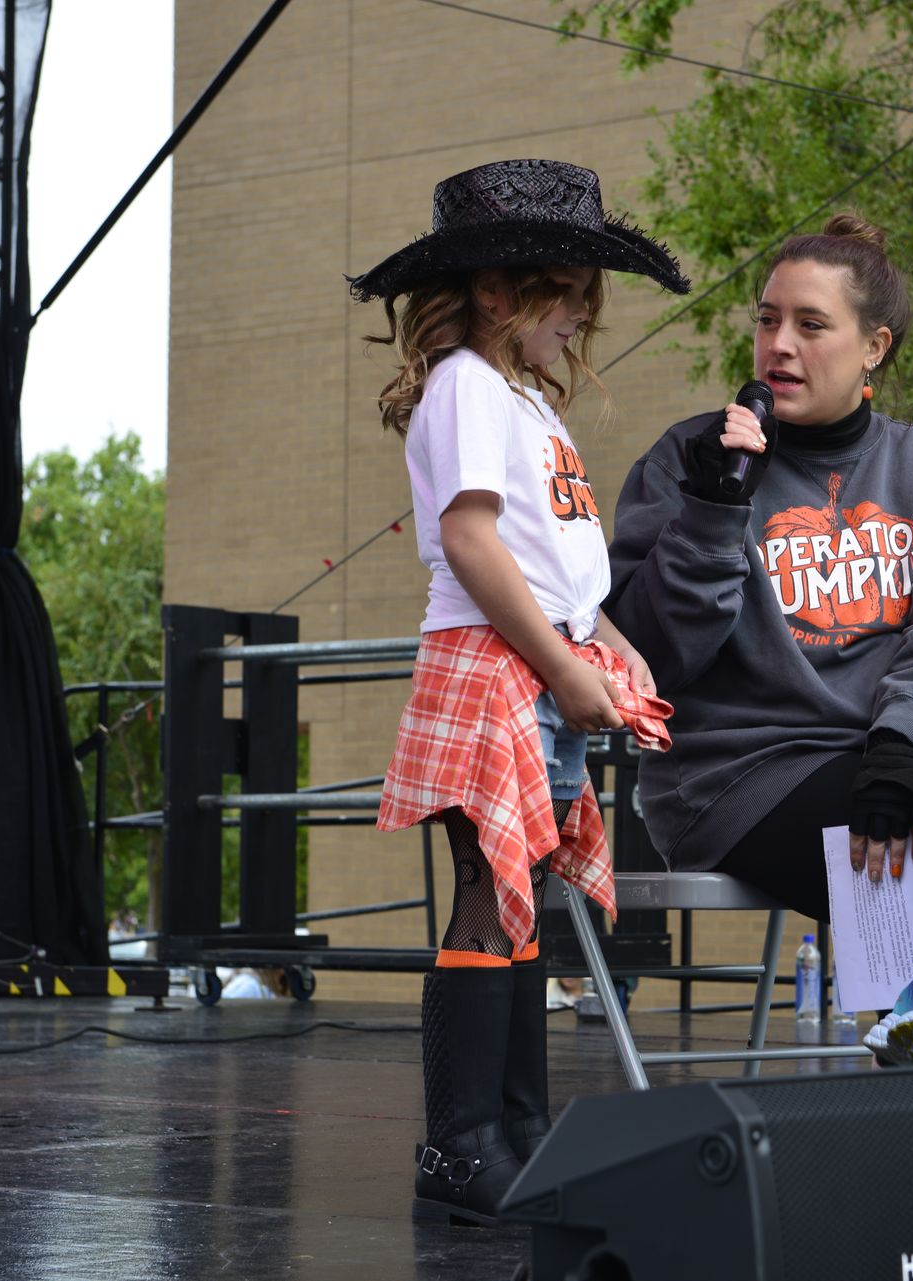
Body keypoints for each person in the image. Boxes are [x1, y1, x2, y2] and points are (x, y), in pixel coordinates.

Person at [604, 213, 913, 1068]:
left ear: (874, 347)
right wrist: (712, 513)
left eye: (812, 325)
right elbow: (649, 660)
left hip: (887, 762)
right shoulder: (687, 460)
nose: (779, 344)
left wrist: (898, 742)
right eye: (767, 318)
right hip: (739, 777)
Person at [352, 159, 686, 1229]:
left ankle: (519, 1131)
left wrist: (608, 654)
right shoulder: (465, 385)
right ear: (497, 291)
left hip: (539, 659)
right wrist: (559, 665)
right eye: (567, 289)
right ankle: (460, 1147)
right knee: (483, 894)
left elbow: (557, 561)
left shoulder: (526, 402)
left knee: (519, 895)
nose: (584, 311)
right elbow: (470, 538)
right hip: (491, 665)